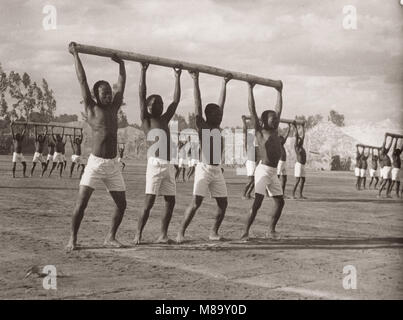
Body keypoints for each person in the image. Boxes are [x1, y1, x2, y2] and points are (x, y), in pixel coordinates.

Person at [66, 42, 127, 251]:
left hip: (113, 165)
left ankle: (110, 237)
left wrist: (121, 65)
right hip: (95, 163)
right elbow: (82, 80)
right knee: (81, 203)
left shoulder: (114, 107)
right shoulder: (91, 108)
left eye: (109, 92)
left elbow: (121, 83)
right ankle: (72, 239)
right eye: (104, 93)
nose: (109, 95)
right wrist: (76, 55)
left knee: (122, 204)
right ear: (96, 95)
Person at [176, 71, 231, 244]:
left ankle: (213, 232)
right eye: (216, 114)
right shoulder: (203, 126)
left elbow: (222, 103)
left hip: (216, 170)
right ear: (208, 115)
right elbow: (198, 104)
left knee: (223, 203)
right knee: (196, 202)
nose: (220, 115)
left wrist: (225, 83)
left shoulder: (217, 127)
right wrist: (195, 79)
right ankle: (180, 233)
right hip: (204, 167)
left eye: (220, 114)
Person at [134, 62, 182, 245]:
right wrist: (143, 71)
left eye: (161, 103)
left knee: (171, 202)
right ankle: (138, 233)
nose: (160, 105)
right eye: (155, 103)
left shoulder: (164, 118)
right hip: (154, 164)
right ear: (147, 107)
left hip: (168, 164)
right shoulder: (146, 120)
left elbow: (176, 101)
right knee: (149, 202)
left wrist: (177, 77)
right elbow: (141, 95)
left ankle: (163, 234)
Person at [241, 81, 284, 240]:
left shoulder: (275, 130)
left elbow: (279, 109)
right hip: (263, 170)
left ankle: (271, 230)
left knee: (280, 202)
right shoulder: (260, 132)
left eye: (276, 118)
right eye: (272, 118)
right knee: (257, 203)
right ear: (264, 120)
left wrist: (279, 92)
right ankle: (245, 232)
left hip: (273, 172)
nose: (276, 120)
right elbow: (252, 110)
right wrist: (250, 89)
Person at [241, 116, 259, 200]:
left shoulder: (254, 145)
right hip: (250, 162)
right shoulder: (247, 145)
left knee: (254, 180)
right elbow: (245, 131)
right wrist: (244, 121)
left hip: (254, 162)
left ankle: (248, 194)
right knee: (251, 179)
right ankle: (243, 194)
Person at [292, 121, 307, 199]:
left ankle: (300, 195)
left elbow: (303, 136)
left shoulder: (301, 146)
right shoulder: (296, 146)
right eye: (299, 139)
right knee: (297, 180)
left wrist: (303, 127)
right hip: (298, 165)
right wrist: (295, 127)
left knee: (303, 180)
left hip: (303, 165)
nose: (300, 140)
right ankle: (293, 194)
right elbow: (297, 136)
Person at [277, 123, 291, 196]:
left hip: (284, 162)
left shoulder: (282, 144)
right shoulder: (277, 143)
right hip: (280, 162)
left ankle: (282, 193)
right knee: (277, 177)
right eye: (281, 138)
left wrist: (289, 127)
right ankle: (272, 192)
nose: (283, 139)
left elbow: (286, 135)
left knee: (285, 178)